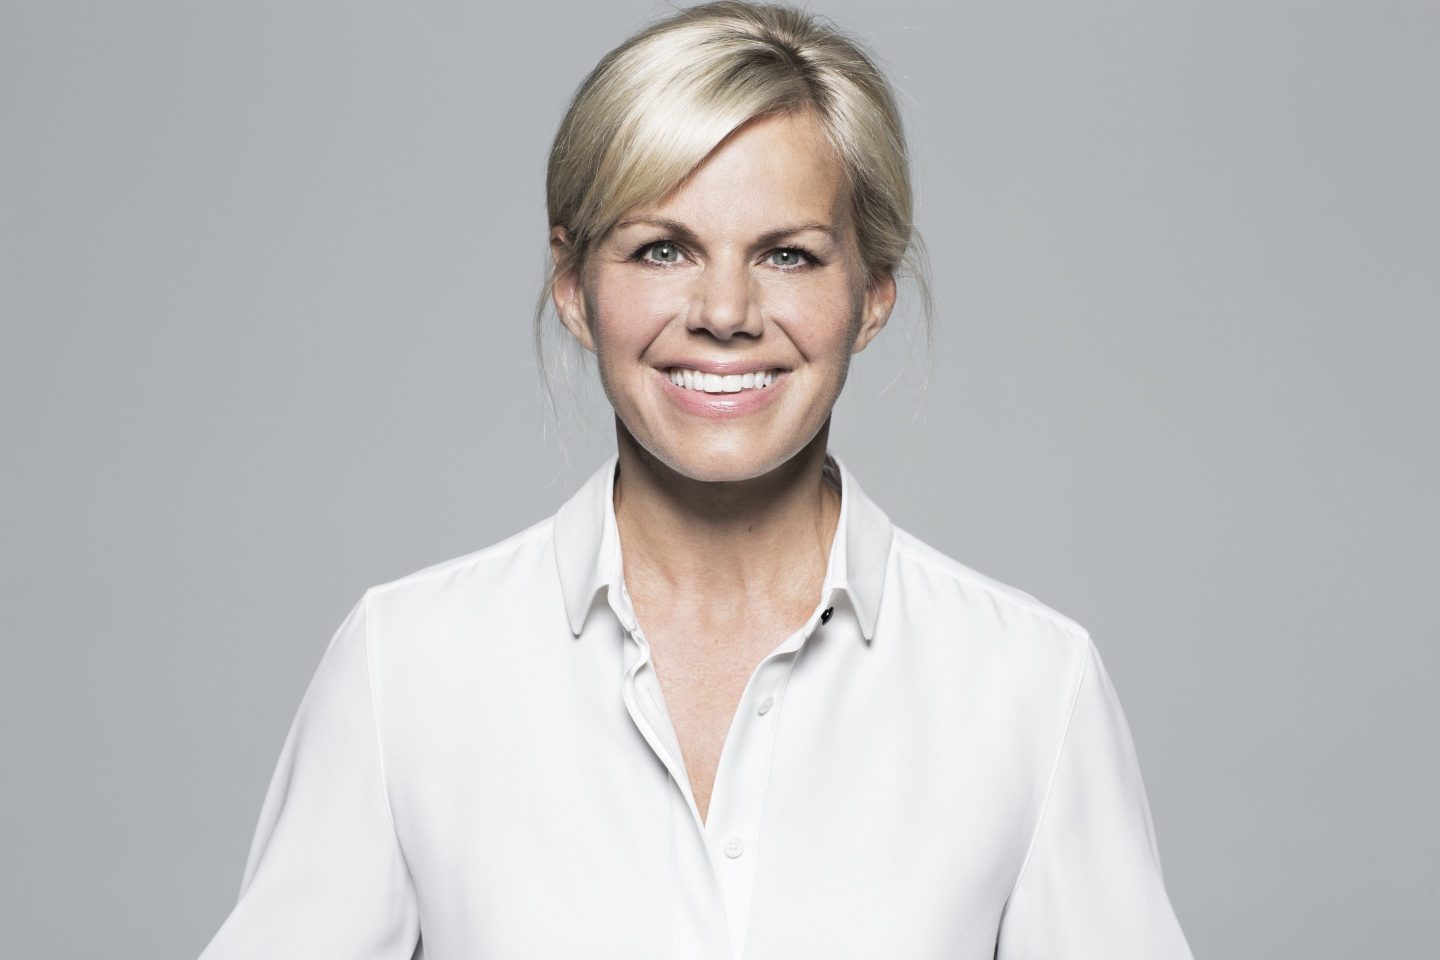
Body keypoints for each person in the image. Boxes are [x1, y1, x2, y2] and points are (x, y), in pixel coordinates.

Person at [197, 2, 1194, 958]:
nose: (724, 311)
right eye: (663, 249)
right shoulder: (407, 668)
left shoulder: (1027, 689)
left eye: (789, 256)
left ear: (872, 294)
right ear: (574, 286)